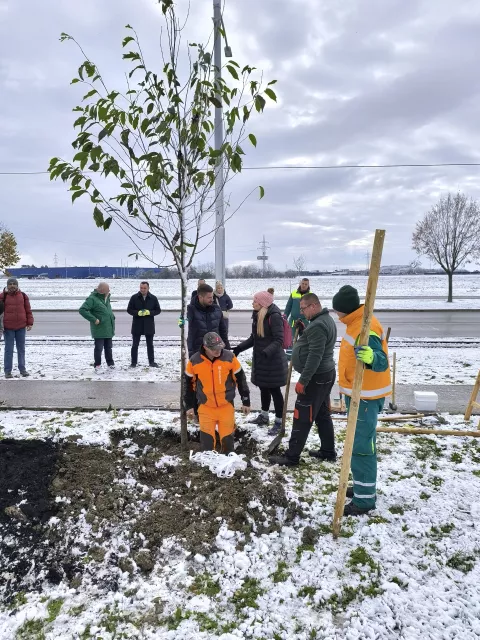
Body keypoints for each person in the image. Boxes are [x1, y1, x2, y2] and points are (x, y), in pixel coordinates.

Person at [332, 285, 391, 516]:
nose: (337, 315)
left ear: (346, 311)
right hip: (358, 396)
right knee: (358, 443)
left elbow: (381, 361)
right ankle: (360, 487)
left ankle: (364, 500)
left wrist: (370, 357)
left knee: (362, 448)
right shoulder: (355, 323)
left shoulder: (366, 328)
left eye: (338, 311)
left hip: (366, 398)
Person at [269, 293, 337, 466]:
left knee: (302, 415)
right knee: (322, 414)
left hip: (316, 378)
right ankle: (328, 451)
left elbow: (315, 355)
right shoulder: (324, 321)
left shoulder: (318, 326)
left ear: (313, 306)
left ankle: (291, 457)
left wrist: (304, 380)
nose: (301, 313)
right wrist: (306, 327)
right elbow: (315, 343)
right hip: (325, 375)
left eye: (303, 309)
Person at [185, 332, 251, 452]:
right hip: (205, 407)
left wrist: (246, 401)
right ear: (205, 348)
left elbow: (241, 379)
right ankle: (208, 466)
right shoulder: (194, 361)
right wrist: (189, 406)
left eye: (220, 347)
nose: (218, 351)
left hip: (226, 406)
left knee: (228, 443)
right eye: (214, 349)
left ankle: (227, 464)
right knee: (206, 445)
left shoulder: (230, 358)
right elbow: (189, 385)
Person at [233, 291, 287, 436]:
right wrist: (239, 348)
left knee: (275, 391)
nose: (252, 303)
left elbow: (279, 340)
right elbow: (254, 338)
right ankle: (264, 416)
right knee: (263, 388)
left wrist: (266, 352)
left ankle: (278, 422)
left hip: (273, 362)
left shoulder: (274, 316)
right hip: (262, 360)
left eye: (255, 301)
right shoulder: (258, 315)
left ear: (262, 303)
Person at [0, 277, 34, 378]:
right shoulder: (2, 296)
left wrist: (30, 322)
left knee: (21, 349)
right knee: (8, 350)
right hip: (8, 327)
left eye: (14, 284)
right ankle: (7, 371)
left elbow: (28, 310)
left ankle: (22, 369)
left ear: (17, 285)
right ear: (7, 285)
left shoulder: (23, 296)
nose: (12, 286)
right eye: (10, 284)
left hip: (21, 327)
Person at [79, 282, 116, 373]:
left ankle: (110, 364)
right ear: (103, 291)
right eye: (108, 289)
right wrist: (94, 319)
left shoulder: (106, 298)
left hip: (108, 328)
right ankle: (97, 365)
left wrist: (112, 316)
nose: (109, 291)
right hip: (99, 329)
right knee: (99, 348)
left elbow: (106, 310)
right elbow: (82, 310)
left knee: (108, 348)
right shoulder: (92, 299)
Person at [187, 283, 230, 357]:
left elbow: (223, 331)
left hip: (216, 353)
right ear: (200, 297)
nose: (212, 300)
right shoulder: (190, 310)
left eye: (212, 297)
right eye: (209, 298)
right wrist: (191, 354)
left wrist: (227, 349)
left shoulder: (217, 309)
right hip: (198, 354)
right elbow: (183, 327)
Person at [127, 281, 161, 368]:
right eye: (141, 288)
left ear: (148, 288)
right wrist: (137, 312)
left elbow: (158, 310)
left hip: (149, 325)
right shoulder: (134, 298)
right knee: (135, 345)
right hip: (137, 325)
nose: (143, 290)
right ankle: (133, 363)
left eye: (144, 288)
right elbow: (129, 310)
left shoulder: (153, 298)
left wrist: (149, 312)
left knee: (150, 345)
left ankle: (151, 362)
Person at [284, 278, 311, 357]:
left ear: (308, 285)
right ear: (300, 284)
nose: (304, 285)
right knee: (290, 338)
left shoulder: (311, 295)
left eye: (306, 284)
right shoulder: (294, 293)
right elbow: (288, 306)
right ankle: (289, 356)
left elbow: (313, 309)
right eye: (302, 283)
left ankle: (302, 356)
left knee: (304, 339)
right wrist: (285, 316)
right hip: (293, 320)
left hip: (304, 320)